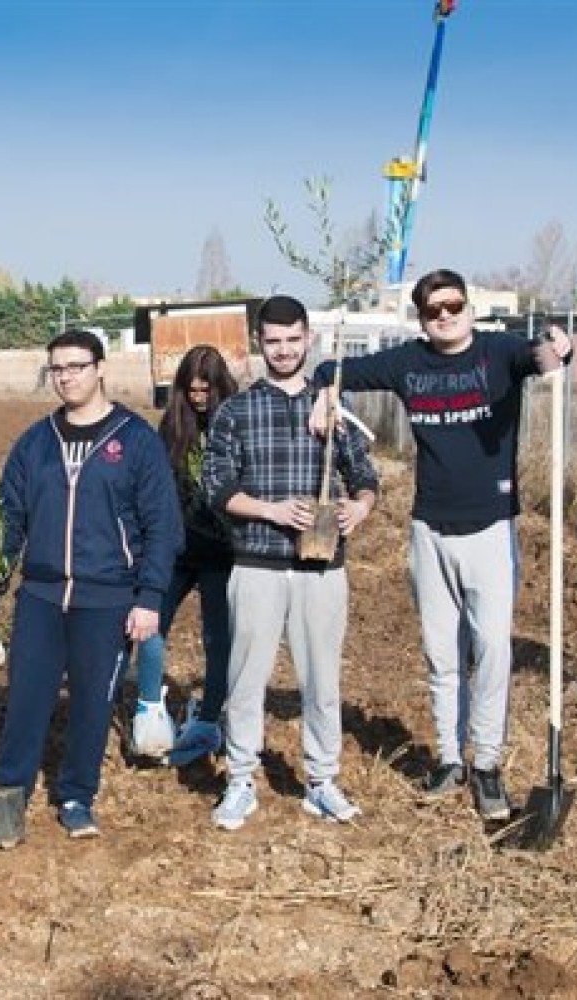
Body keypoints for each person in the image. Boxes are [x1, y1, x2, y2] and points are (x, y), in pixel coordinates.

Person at [309, 269, 571, 821]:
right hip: (429, 529)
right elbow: (334, 369)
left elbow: (545, 360)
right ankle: (451, 759)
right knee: (440, 655)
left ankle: (488, 765)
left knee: (493, 652)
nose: (445, 316)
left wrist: (557, 350)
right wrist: (323, 395)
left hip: (491, 529)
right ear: (422, 318)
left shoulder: (500, 353)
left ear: (469, 308)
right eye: (433, 311)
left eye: (453, 306)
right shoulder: (410, 362)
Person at [0, 329, 183, 844]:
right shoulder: (35, 443)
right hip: (42, 596)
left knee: (92, 704)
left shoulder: (134, 439)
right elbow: (8, 523)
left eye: (76, 366)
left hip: (108, 596)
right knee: (26, 699)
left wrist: (149, 599)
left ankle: (77, 796)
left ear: (100, 368)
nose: (66, 377)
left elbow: (162, 524)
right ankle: (6, 799)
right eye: (57, 369)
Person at [204, 295, 379, 831]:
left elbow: (365, 475)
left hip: (321, 568)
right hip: (257, 563)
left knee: (322, 679)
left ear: (309, 340)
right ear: (261, 343)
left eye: (292, 339)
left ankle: (321, 781)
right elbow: (217, 488)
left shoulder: (332, 409)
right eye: (273, 340)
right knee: (246, 677)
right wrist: (271, 510)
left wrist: (359, 508)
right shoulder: (236, 411)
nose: (283, 350)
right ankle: (240, 779)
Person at [127, 344, 239, 765]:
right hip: (175, 549)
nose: (198, 398)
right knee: (151, 623)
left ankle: (210, 719)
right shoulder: (171, 426)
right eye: (191, 390)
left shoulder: (234, 421)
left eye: (205, 390)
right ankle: (150, 708)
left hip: (221, 552)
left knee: (217, 638)